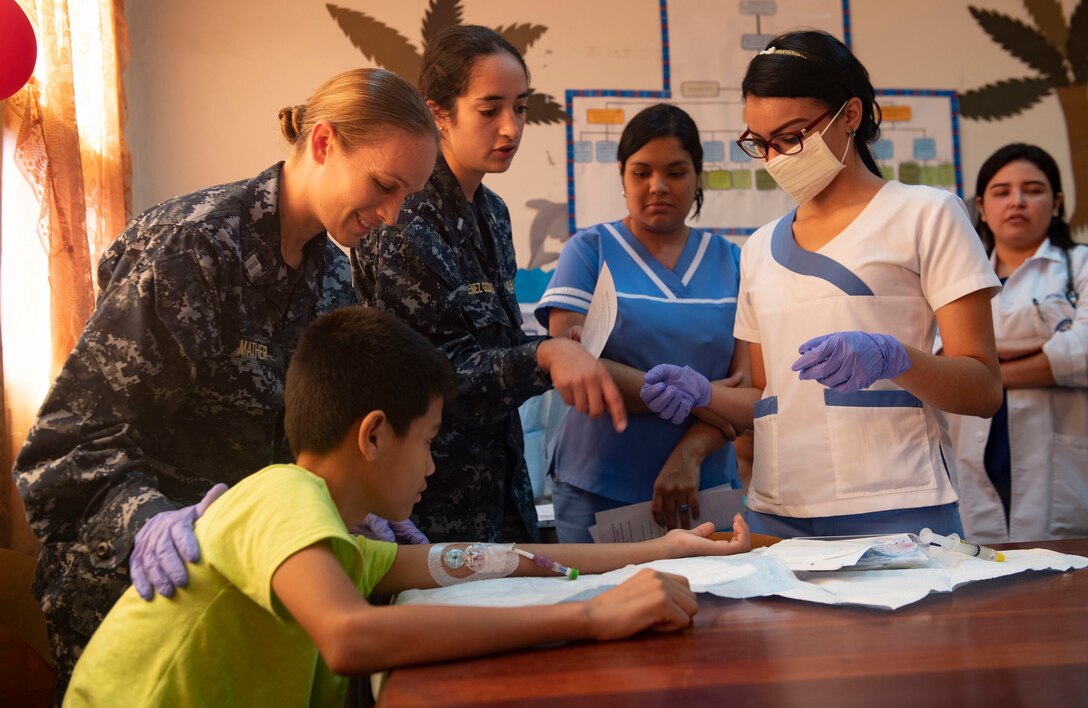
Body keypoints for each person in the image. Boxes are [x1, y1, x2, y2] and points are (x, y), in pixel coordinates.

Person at [62, 306, 751, 707]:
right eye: (426, 441)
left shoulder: (335, 540)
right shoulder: (281, 492)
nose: (429, 465)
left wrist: (660, 550)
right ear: (372, 435)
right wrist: (591, 615)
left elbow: (489, 561)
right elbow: (349, 637)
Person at [12, 67, 439, 694]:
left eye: (408, 197)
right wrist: (151, 521)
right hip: (145, 593)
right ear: (322, 144)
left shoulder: (330, 279)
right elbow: (64, 448)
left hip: (248, 586)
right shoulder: (192, 248)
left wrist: (356, 506)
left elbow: (296, 449)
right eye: (383, 185)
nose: (393, 215)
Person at [641, 30, 1003, 538]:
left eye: (791, 138)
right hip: (779, 513)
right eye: (760, 143)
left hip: (899, 507)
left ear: (850, 116)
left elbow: (984, 389)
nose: (775, 158)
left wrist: (896, 357)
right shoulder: (760, 248)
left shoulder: (927, 214)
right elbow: (769, 396)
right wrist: (705, 394)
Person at [354, 25, 626, 545]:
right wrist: (542, 358)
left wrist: (550, 350)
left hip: (501, 490)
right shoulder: (404, 217)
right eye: (490, 110)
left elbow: (488, 348)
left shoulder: (492, 213)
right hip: (429, 502)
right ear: (438, 114)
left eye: (521, 108)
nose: (511, 128)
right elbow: (437, 376)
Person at [535, 103, 747, 542]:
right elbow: (574, 373)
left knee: (711, 608)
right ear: (622, 176)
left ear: (698, 176)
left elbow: (747, 392)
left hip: (702, 484)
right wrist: (705, 398)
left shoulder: (734, 262)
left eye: (675, 172)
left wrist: (688, 454)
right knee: (600, 608)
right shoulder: (589, 251)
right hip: (598, 485)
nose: (658, 187)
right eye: (641, 172)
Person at [945, 144, 1087, 541]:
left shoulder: (1081, 267)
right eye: (1002, 191)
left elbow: (1083, 353)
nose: (1018, 202)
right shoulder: (954, 277)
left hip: (1058, 467)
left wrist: (980, 374)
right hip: (971, 461)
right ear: (982, 207)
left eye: (1034, 190)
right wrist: (1047, 351)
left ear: (1056, 202)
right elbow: (937, 356)